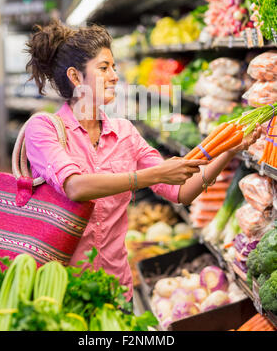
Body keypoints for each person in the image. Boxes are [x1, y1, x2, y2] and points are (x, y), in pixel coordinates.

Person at [24, 20, 261, 303]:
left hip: (115, 287)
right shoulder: (43, 128)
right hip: (60, 289)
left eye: (114, 67)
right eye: (103, 68)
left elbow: (181, 192)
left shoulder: (125, 133)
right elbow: (75, 186)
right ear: (75, 77)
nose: (114, 76)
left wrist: (229, 150)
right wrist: (152, 175)